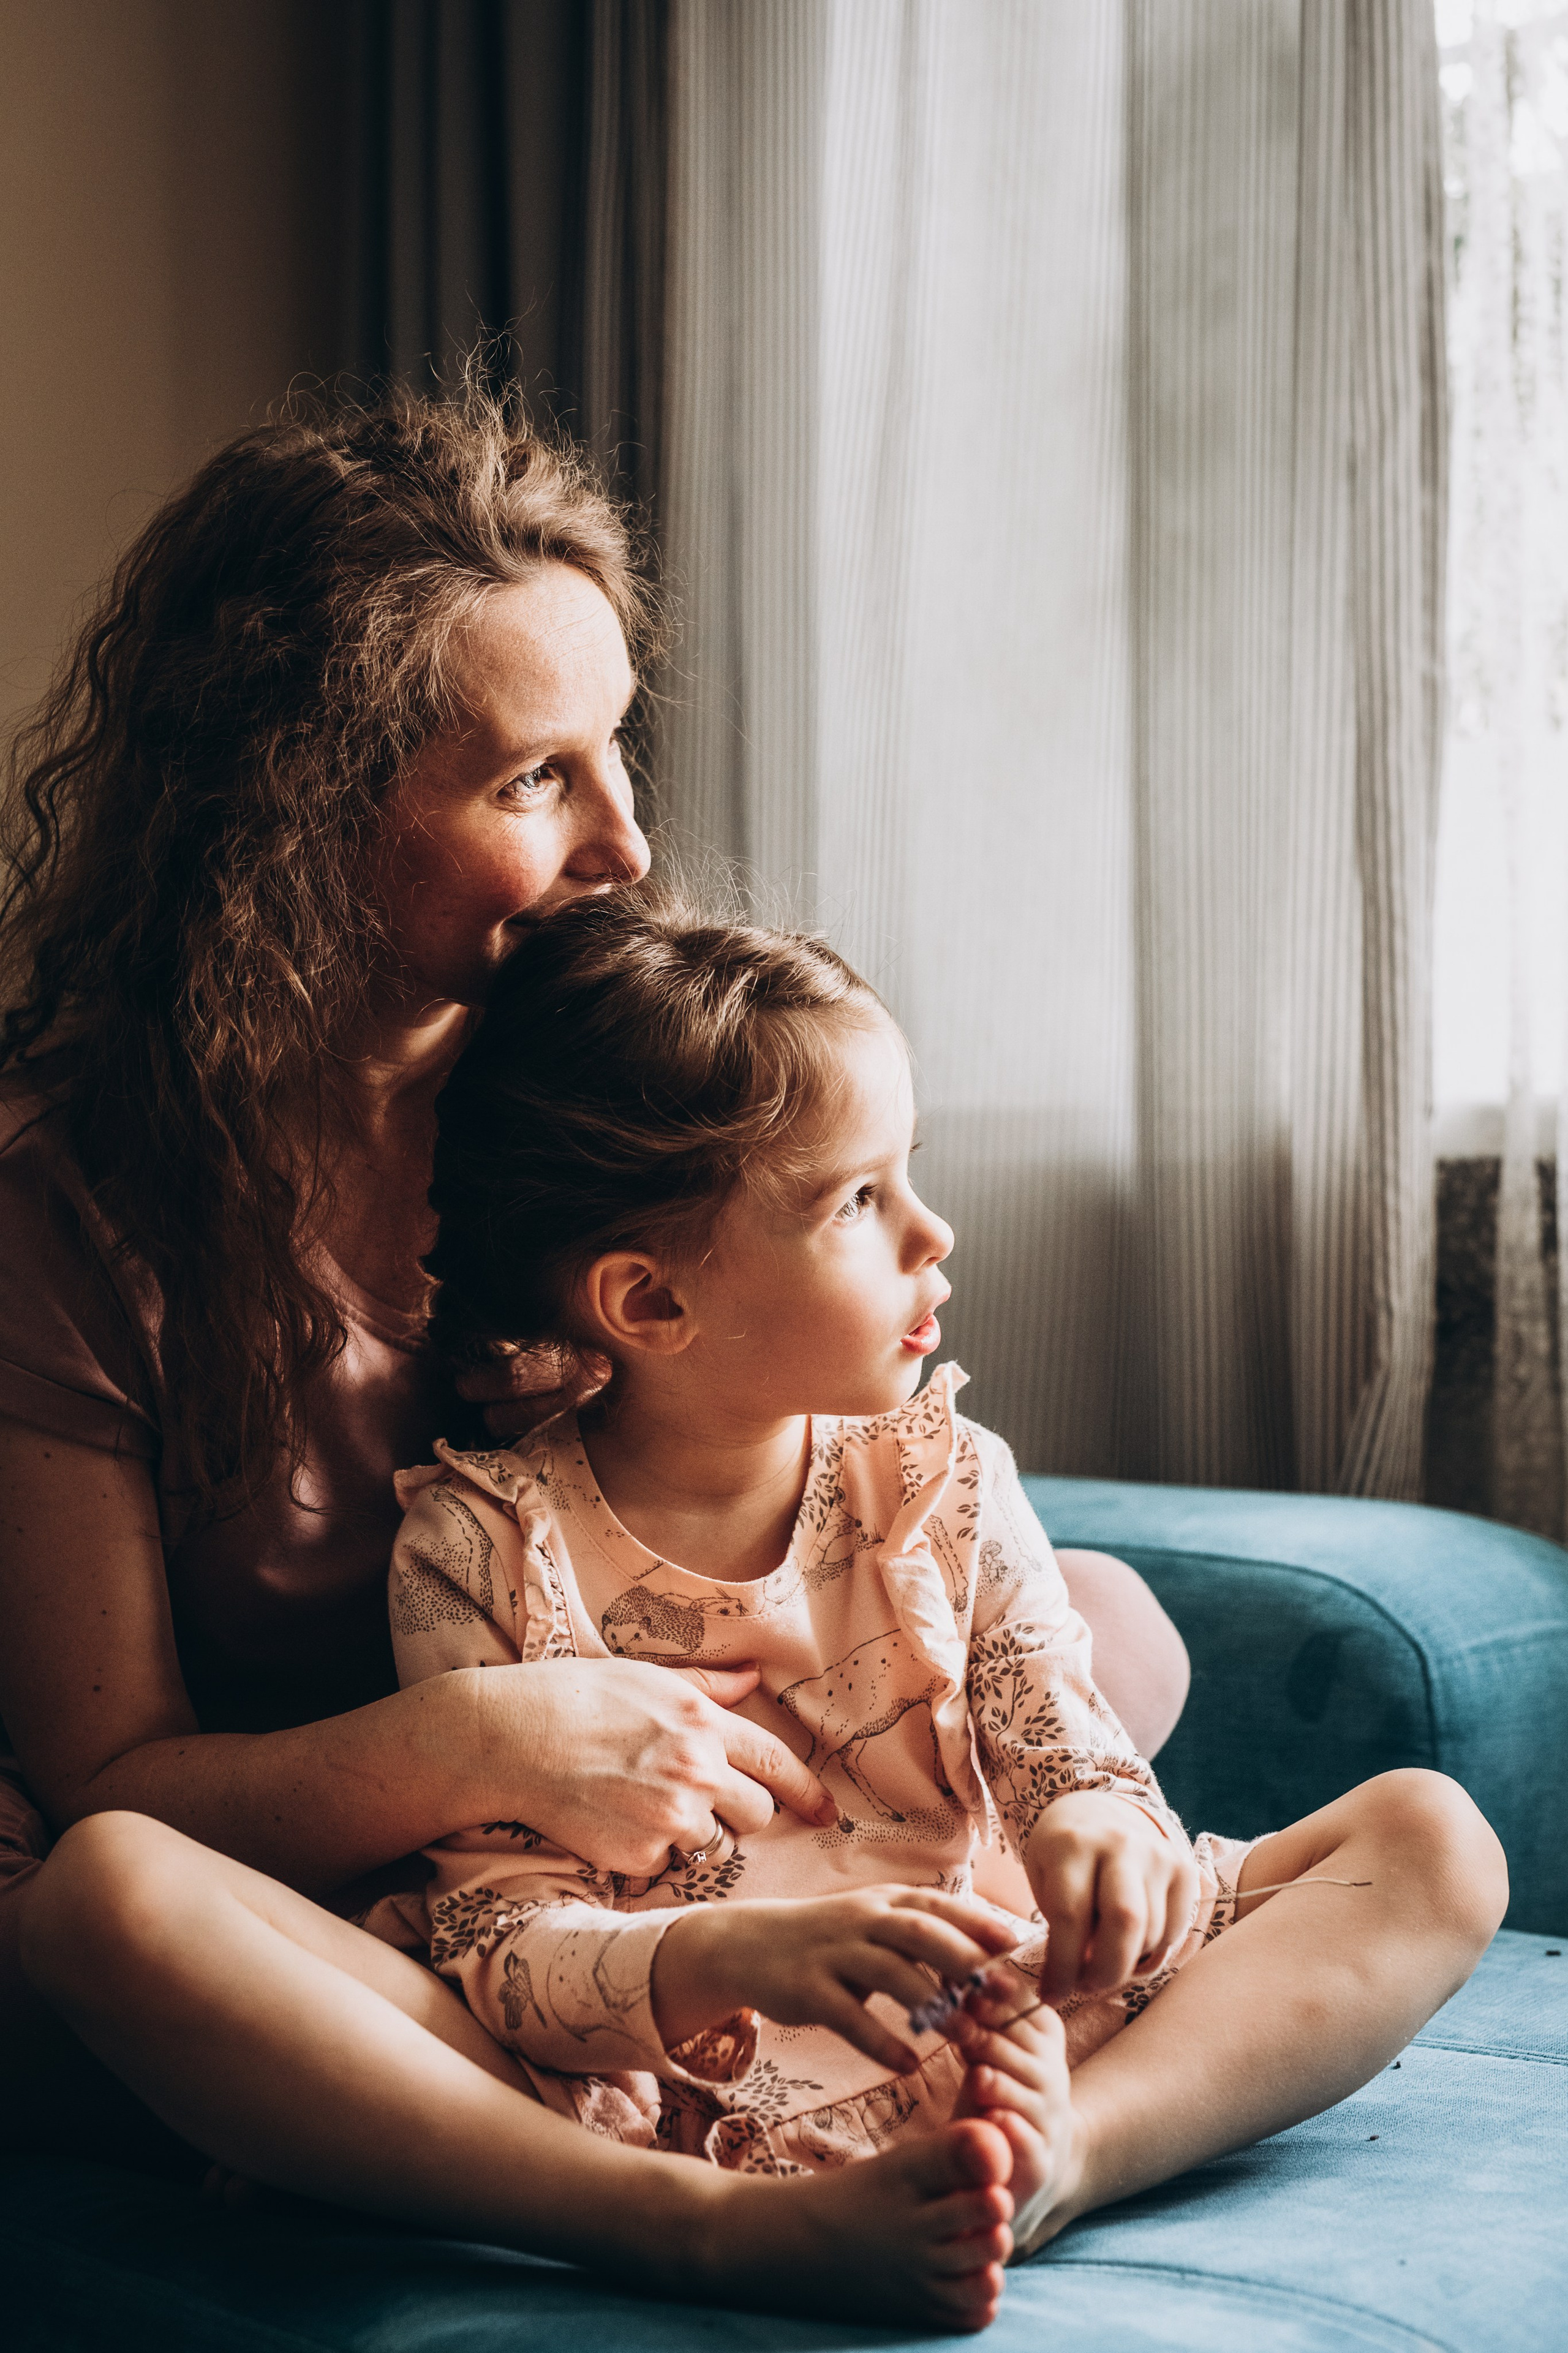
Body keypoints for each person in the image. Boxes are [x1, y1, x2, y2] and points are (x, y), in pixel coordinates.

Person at [1, 384, 1187, 2333]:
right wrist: (490, 1740)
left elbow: (812, 1461)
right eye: (537, 780)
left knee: (1104, 1635)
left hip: (611, 1855)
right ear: (298, 815)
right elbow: (113, 1779)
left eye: (616, 748)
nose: (629, 844)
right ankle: (668, 2205)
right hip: (291, 1871)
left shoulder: (566, 1100)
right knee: (97, 1911)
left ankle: (953, 2119)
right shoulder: (68, 1200)